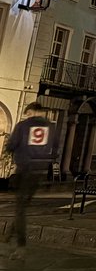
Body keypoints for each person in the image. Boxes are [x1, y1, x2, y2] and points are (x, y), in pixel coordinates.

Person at [5, 102, 56, 260]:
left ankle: (21, 246)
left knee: (20, 208)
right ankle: (9, 234)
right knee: (23, 205)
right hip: (39, 171)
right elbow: (55, 148)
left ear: (32, 112)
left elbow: (11, 145)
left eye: (27, 114)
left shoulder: (23, 125)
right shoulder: (51, 127)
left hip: (25, 169)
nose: (26, 116)